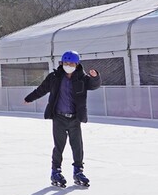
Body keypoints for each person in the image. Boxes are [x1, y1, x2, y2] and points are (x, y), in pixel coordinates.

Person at [24, 50, 101, 187]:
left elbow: (94, 85)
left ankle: (78, 171)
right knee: (59, 146)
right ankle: (55, 171)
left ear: (77, 64)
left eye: (71, 63)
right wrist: (30, 98)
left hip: (75, 118)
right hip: (59, 117)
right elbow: (42, 89)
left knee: (77, 147)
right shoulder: (54, 77)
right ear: (62, 63)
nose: (68, 65)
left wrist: (95, 77)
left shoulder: (82, 78)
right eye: (66, 62)